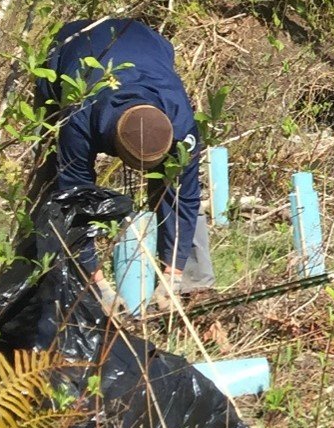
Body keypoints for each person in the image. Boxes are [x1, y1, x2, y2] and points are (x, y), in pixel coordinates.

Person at [34, 16, 211, 299]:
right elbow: (74, 194)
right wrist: (97, 285)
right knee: (51, 179)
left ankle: (186, 283)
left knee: (173, 187)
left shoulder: (180, 122)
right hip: (71, 50)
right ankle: (51, 272)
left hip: (146, 42)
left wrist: (173, 275)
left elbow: (185, 196)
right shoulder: (79, 118)